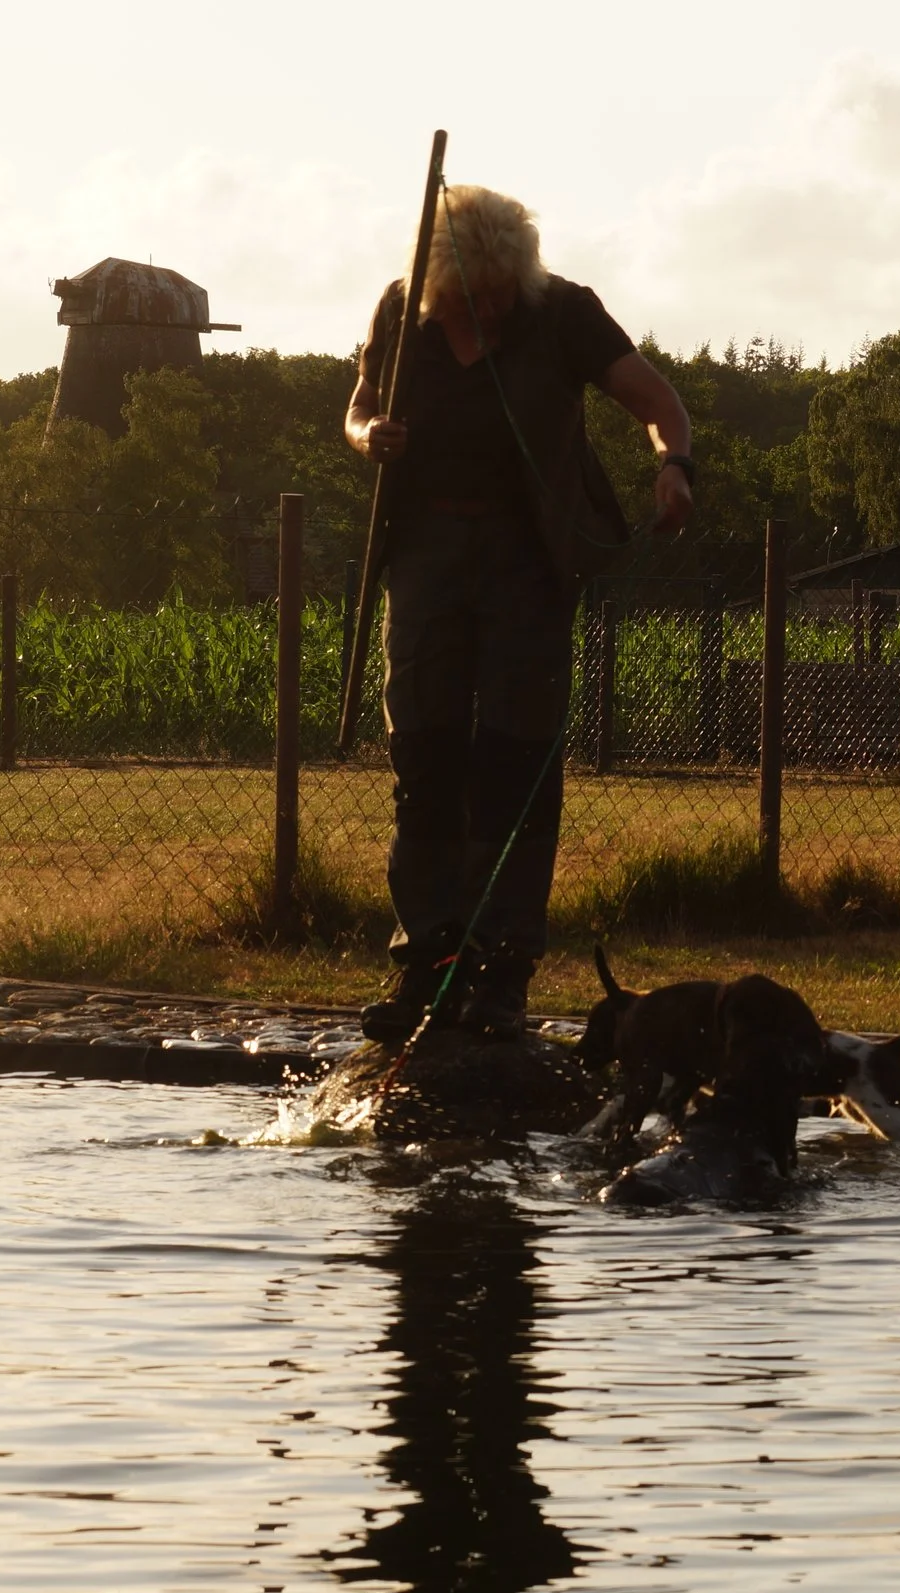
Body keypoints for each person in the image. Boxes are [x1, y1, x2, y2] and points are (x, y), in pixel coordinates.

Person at [345, 184, 694, 1042]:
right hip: (425, 558)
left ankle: (503, 972)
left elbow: (660, 405)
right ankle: (427, 965)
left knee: (516, 762)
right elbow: (357, 409)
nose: (492, 309)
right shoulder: (400, 312)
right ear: (438, 283)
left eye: (504, 291)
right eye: (476, 295)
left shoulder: (565, 314)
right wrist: (368, 435)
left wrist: (675, 466)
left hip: (528, 565)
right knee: (424, 762)